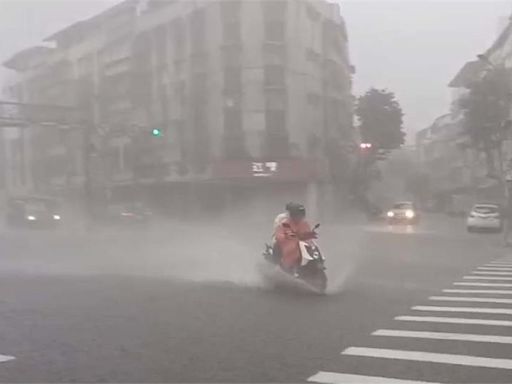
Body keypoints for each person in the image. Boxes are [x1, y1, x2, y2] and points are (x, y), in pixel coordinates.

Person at [273, 202, 316, 274]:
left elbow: (307, 235)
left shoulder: (304, 224)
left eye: (301, 215)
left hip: (302, 246)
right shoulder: (284, 223)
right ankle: (281, 267)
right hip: (287, 245)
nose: (299, 217)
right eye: (298, 215)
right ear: (293, 215)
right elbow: (280, 236)